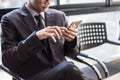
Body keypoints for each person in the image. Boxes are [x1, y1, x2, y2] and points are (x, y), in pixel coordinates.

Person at [1, 0, 84, 80]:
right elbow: (8, 60)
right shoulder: (10, 19)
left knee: (69, 69)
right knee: (69, 68)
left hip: (63, 72)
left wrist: (71, 40)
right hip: (35, 76)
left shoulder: (59, 16)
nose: (48, 1)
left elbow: (73, 54)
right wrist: (36, 37)